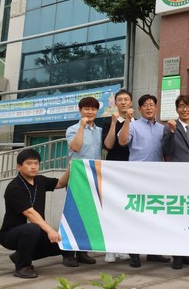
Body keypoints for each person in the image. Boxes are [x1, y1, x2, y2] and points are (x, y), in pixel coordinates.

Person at [0, 149, 72, 279]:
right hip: (10, 234)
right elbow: (29, 213)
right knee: (32, 228)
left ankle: (20, 255)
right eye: (29, 163)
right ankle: (23, 266)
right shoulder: (14, 187)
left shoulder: (40, 180)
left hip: (35, 232)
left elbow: (60, 183)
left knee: (64, 244)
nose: (33, 166)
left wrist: (70, 168)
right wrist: (50, 230)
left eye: (36, 163)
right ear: (19, 167)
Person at [118, 94, 169, 267]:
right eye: (145, 105)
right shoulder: (133, 125)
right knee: (136, 216)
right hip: (137, 177)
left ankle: (154, 253)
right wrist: (127, 120)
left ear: (156, 107)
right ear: (139, 109)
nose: (149, 108)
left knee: (155, 215)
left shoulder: (162, 128)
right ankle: (134, 253)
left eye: (152, 104)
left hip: (157, 178)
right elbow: (122, 141)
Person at [162, 94, 189, 269]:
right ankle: (177, 256)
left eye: (188, 107)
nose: (184, 110)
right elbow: (166, 149)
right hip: (176, 179)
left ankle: (186, 254)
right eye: (181, 106)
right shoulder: (170, 127)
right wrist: (171, 132)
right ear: (177, 109)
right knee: (177, 218)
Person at [65, 96, 101, 266]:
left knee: (87, 216)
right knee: (73, 215)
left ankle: (82, 252)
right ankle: (67, 253)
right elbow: (75, 147)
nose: (90, 112)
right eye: (86, 109)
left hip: (93, 178)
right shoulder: (72, 129)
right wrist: (82, 127)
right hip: (76, 178)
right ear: (80, 110)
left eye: (93, 109)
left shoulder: (99, 131)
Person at [101, 89, 133, 263]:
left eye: (126, 99)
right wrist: (114, 122)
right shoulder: (108, 122)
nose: (123, 102)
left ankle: (124, 246)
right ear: (116, 103)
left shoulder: (136, 122)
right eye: (120, 99)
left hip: (131, 171)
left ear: (131, 103)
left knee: (127, 210)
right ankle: (110, 248)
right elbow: (108, 145)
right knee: (112, 208)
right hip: (113, 169)